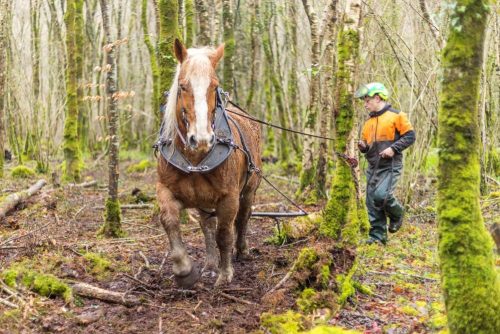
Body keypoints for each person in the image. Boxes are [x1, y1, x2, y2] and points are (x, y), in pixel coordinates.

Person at [354, 82, 416, 245]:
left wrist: (393, 149)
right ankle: (378, 237)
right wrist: (363, 147)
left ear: (377, 98)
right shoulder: (368, 123)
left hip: (390, 165)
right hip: (373, 167)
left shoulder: (397, 116)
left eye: (367, 101)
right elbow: (367, 148)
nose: (365, 105)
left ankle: (398, 213)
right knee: (371, 202)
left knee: (382, 196)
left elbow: (410, 136)